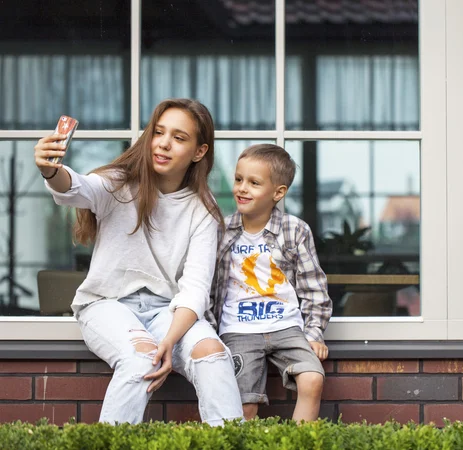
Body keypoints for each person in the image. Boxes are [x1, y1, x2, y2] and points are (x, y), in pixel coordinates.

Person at [33, 98, 244, 426]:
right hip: (106, 305)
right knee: (140, 357)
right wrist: (50, 170)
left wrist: (170, 342)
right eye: (158, 132)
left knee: (212, 355)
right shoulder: (118, 184)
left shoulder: (203, 208)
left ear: (199, 152)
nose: (163, 143)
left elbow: (195, 288)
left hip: (167, 312)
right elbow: (76, 188)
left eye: (178, 137)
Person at [208, 143, 332, 422]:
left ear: (278, 192)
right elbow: (207, 287)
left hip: (286, 327)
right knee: (244, 405)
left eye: (254, 183)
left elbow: (314, 287)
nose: (241, 188)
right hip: (238, 330)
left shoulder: (294, 230)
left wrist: (313, 333)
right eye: (239, 179)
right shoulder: (221, 230)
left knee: (312, 379)